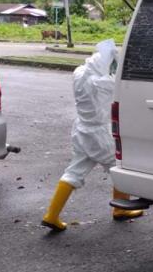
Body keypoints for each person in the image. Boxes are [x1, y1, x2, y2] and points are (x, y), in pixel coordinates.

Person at [41, 39, 143, 232]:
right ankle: (120, 209)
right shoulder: (103, 82)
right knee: (118, 167)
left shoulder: (79, 74)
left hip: (81, 130)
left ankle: (51, 215)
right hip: (99, 133)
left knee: (74, 172)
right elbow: (121, 87)